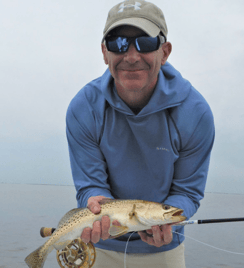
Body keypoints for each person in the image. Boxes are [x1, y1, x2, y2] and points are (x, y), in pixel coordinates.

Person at [66, 0, 215, 267]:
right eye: (118, 44)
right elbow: (90, 185)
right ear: (104, 52)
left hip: (164, 249)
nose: (132, 56)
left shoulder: (196, 113)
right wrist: (94, 199)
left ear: (164, 51)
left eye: (145, 43)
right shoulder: (83, 108)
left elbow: (187, 192)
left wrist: (165, 224)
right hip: (100, 244)